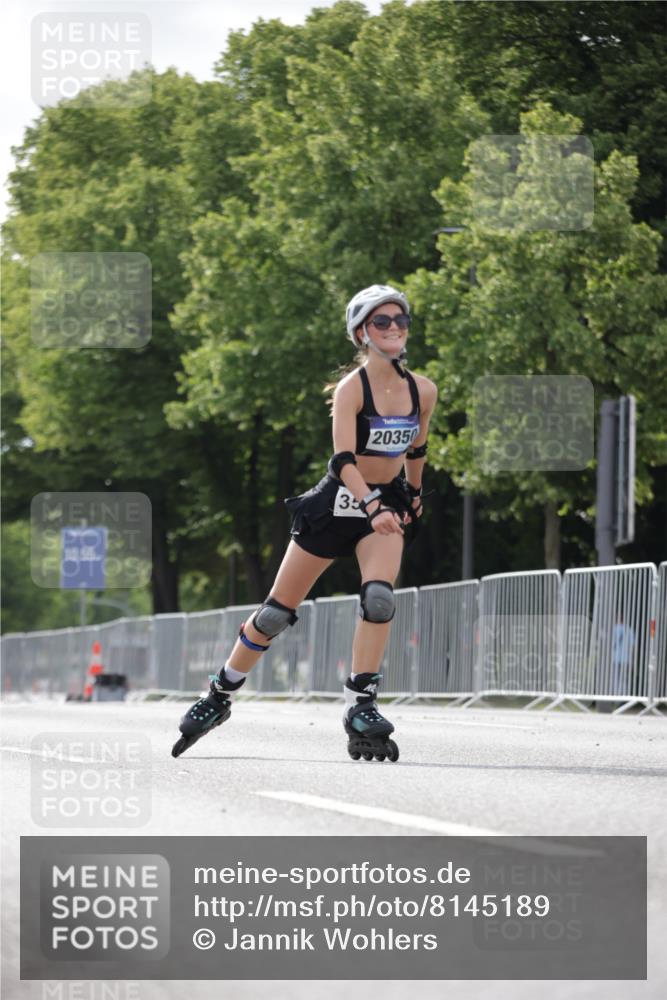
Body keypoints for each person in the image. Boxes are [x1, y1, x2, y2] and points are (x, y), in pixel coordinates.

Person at [171, 284, 438, 761]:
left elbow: (415, 449)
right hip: (339, 502)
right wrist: (371, 506)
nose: (394, 327)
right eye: (382, 321)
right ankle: (220, 692)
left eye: (401, 319)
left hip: (386, 503)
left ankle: (362, 703)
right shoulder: (352, 388)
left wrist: (413, 495)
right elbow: (341, 460)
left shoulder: (424, 390)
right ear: (362, 333)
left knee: (378, 599)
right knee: (276, 613)